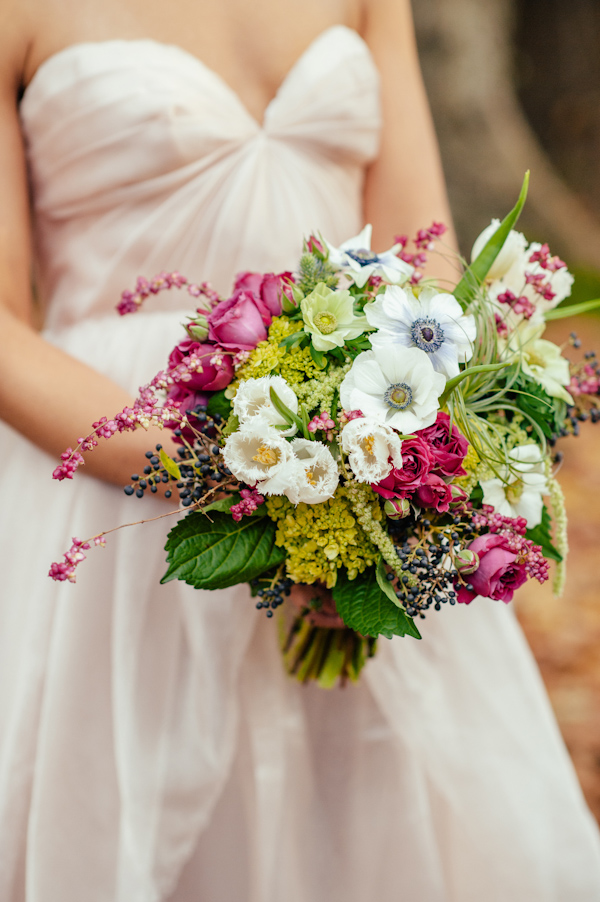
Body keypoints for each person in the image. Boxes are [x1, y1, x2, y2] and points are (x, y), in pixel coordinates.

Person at [0, 0, 599, 899]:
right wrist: (243, 474)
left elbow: (422, 249)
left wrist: (404, 456)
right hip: (114, 481)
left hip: (359, 463)